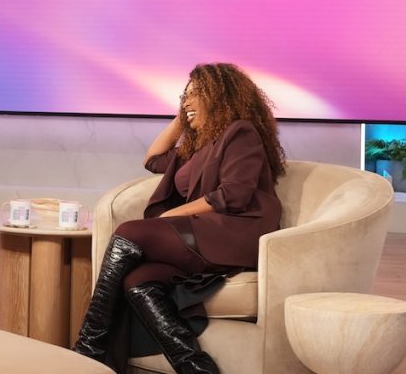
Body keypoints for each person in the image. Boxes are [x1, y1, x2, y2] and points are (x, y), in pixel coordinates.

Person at [74, 63, 285, 374]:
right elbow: (152, 159)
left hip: (236, 232)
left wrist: (171, 215)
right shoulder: (197, 147)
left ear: (220, 96)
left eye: (197, 94)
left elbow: (235, 194)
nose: (187, 101)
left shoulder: (240, 132)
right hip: (203, 236)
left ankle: (88, 348)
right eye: (184, 96)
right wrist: (182, 118)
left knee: (130, 232)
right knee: (138, 281)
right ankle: (195, 367)